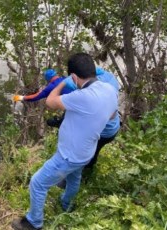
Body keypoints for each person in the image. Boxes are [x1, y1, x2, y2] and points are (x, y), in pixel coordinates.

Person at [11, 53, 118, 230]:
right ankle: (66, 204)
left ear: (74, 76)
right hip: (87, 151)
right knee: (74, 177)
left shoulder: (82, 97)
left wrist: (61, 82)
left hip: (69, 155)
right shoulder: (109, 90)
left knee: (37, 183)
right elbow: (113, 114)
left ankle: (33, 222)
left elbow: (51, 102)